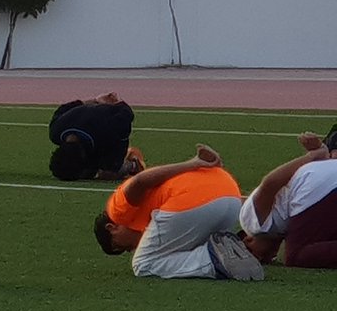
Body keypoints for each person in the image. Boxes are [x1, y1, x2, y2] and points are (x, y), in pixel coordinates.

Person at [93, 144, 263, 280]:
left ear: (111, 228)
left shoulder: (116, 211)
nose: (130, 250)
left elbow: (139, 181)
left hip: (194, 203)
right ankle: (239, 251)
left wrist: (193, 163)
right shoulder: (141, 217)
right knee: (183, 248)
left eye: (119, 246)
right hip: (232, 199)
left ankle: (212, 260)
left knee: (143, 264)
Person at [238, 131, 337, 268]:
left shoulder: (251, 224)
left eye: (253, 254)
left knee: (296, 256)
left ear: (248, 240)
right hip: (321, 186)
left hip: (318, 187)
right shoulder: (279, 227)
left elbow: (270, 184)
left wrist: (312, 156)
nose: (265, 257)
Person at [48, 92, 145, 180]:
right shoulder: (56, 131)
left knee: (109, 173)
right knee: (88, 173)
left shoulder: (109, 128)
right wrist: (94, 101)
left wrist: (116, 102)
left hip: (111, 126)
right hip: (93, 126)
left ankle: (133, 164)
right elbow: (64, 108)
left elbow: (127, 114)